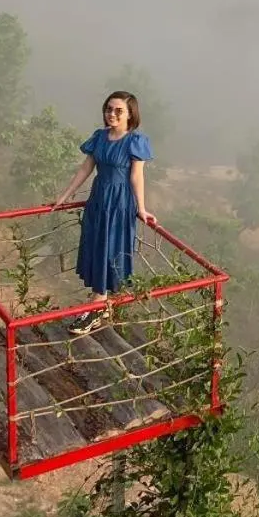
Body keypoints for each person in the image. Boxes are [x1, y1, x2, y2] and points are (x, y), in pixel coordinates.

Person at [52, 91, 155, 335]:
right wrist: (64, 197)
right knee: (97, 245)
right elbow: (86, 168)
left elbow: (136, 176)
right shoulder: (99, 137)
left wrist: (141, 208)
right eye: (109, 109)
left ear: (131, 115)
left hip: (119, 203)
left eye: (119, 111)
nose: (112, 114)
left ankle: (96, 307)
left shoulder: (135, 141)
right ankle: (100, 303)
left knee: (111, 248)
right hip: (98, 199)